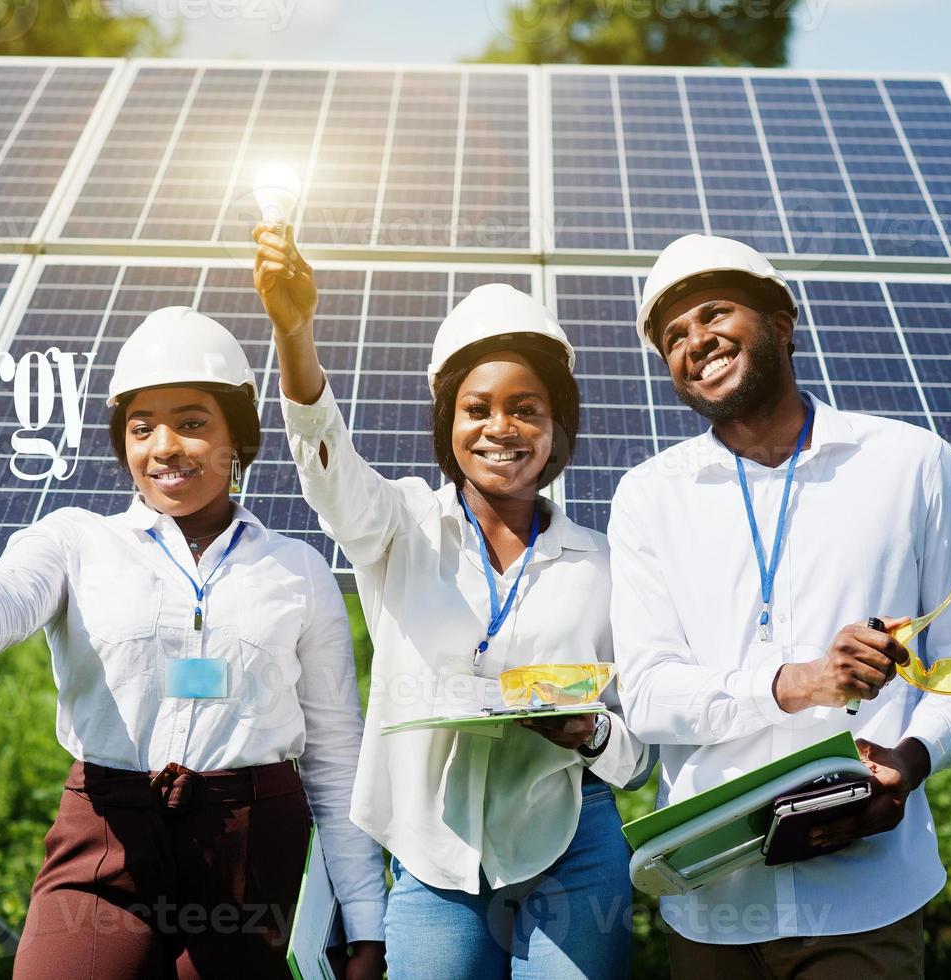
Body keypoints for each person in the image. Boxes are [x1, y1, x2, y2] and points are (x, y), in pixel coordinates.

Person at [0, 307, 387, 979]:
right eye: (142, 428)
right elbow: (9, 591)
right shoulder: (76, 540)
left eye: (192, 423)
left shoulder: (296, 569)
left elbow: (333, 756)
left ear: (238, 435)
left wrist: (365, 927)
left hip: (250, 851)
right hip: (107, 833)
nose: (164, 446)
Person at [253, 223, 652, 979]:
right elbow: (326, 466)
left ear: (556, 426)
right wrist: (294, 332)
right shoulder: (399, 526)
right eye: (477, 408)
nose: (501, 428)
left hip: (572, 844)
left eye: (526, 408)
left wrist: (588, 733)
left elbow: (637, 759)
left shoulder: (601, 563)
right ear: (448, 422)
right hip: (433, 853)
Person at [609, 234, 951, 978]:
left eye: (715, 313)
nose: (696, 341)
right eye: (673, 337)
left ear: (781, 322)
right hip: (713, 896)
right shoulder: (646, 496)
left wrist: (910, 761)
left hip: (863, 891)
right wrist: (798, 683)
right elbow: (650, 694)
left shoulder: (910, 463)